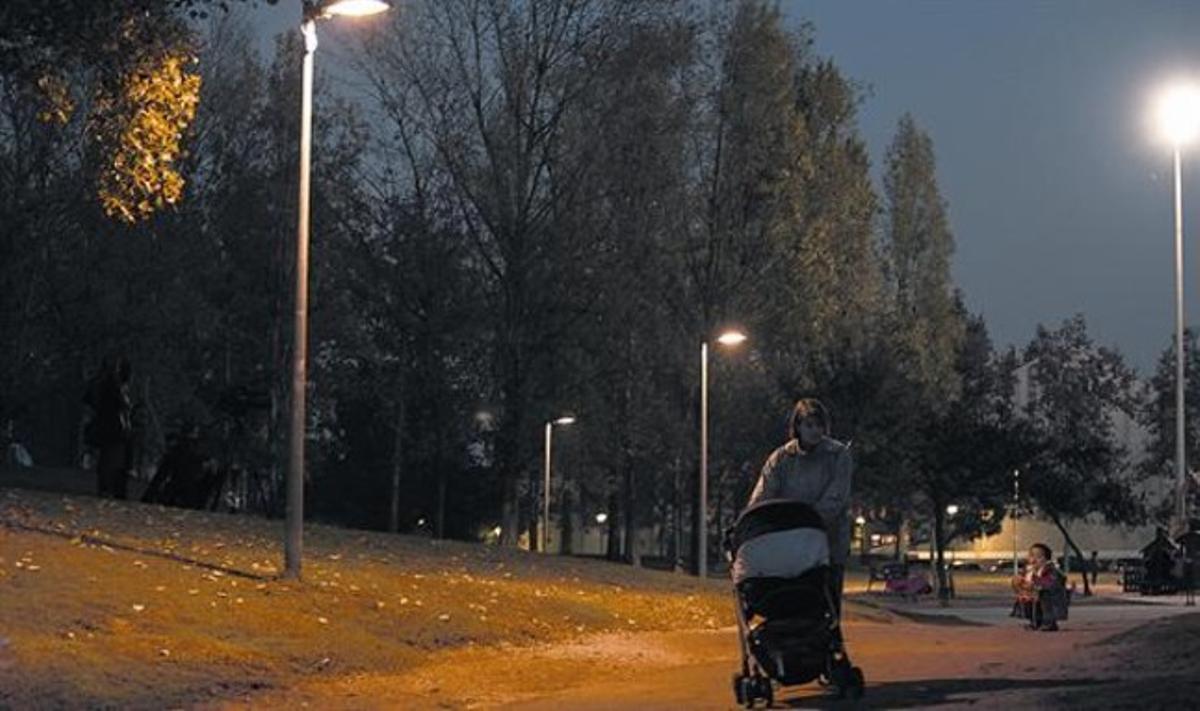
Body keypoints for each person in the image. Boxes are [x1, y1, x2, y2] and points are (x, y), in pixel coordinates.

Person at [746, 398, 852, 615]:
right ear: (798, 427)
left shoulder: (838, 455)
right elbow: (764, 492)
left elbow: (836, 497)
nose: (815, 431)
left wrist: (809, 521)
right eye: (809, 425)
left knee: (826, 603)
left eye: (819, 426)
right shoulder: (781, 459)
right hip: (789, 545)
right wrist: (751, 522)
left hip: (827, 543)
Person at [82, 356, 135, 499]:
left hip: (114, 426)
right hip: (112, 426)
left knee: (113, 459)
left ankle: (111, 488)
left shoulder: (112, 385)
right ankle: (107, 488)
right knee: (110, 459)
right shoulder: (110, 385)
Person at [1011, 543, 1068, 631]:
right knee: (1027, 599)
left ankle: (1049, 623)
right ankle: (1035, 622)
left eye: (1038, 557)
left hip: (1052, 598)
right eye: (1031, 556)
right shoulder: (1029, 571)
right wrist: (1018, 582)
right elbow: (1022, 582)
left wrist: (1035, 584)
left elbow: (1051, 583)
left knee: (1044, 598)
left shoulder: (1051, 570)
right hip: (1035, 596)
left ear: (1046, 559)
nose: (1033, 560)